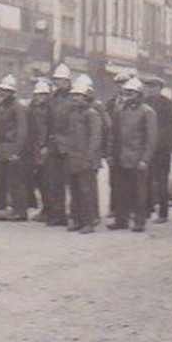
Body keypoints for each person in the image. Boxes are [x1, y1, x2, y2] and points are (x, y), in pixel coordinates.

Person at [108, 76, 157, 232]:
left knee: (139, 192)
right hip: (121, 156)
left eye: (132, 93)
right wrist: (111, 154)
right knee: (120, 190)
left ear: (139, 94)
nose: (128, 96)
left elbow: (151, 137)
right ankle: (121, 220)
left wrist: (145, 159)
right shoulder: (119, 110)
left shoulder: (147, 112)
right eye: (126, 92)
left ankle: (139, 221)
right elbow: (113, 134)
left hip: (137, 157)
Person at [65, 73, 103, 234]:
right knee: (75, 191)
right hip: (73, 157)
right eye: (73, 96)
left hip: (86, 158)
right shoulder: (72, 114)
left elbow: (95, 137)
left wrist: (88, 157)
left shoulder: (91, 114)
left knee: (86, 190)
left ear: (85, 97)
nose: (75, 99)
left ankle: (88, 222)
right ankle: (77, 219)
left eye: (79, 96)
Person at [0, 74, 30, 219]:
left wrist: (17, 151)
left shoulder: (18, 107)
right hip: (3, 149)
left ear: (12, 92)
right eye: (2, 90)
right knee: (1, 180)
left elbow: (22, 130)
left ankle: (20, 211)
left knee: (16, 182)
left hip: (13, 149)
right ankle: (0, 208)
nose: (3, 92)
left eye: (6, 90)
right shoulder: (2, 107)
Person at [40, 62, 75, 226]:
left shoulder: (74, 97)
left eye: (61, 80)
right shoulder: (51, 99)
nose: (58, 83)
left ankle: (74, 214)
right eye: (56, 80)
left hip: (68, 144)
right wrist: (44, 144)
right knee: (54, 182)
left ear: (68, 81)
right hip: (54, 144)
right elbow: (46, 122)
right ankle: (57, 214)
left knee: (72, 182)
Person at [143, 75, 172, 224]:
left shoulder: (167, 105)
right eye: (149, 87)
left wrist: (167, 146)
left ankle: (163, 213)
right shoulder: (144, 103)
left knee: (161, 181)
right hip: (146, 148)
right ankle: (146, 210)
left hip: (161, 149)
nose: (151, 90)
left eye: (154, 87)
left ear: (160, 88)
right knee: (145, 179)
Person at [24, 78, 53, 215]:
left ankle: (49, 208)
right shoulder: (32, 108)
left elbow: (51, 129)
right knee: (38, 180)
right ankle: (43, 208)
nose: (40, 97)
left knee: (47, 180)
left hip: (46, 148)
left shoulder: (50, 109)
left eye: (42, 95)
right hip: (34, 147)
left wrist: (46, 145)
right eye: (38, 95)